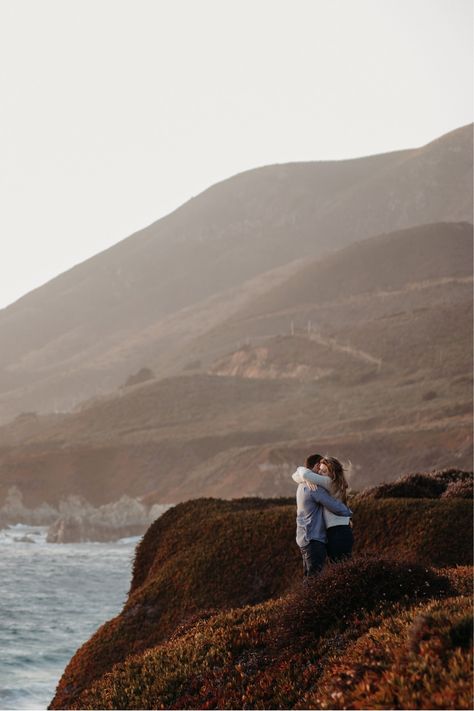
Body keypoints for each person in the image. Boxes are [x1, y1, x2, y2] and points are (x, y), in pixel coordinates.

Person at [294, 454, 353, 577]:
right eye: (320, 470)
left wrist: (348, 513)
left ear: (332, 473)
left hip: (338, 532)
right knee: (339, 571)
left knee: (342, 572)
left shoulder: (328, 481)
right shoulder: (318, 484)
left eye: (324, 471)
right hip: (333, 532)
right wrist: (306, 478)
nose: (320, 473)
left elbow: (301, 475)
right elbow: (299, 476)